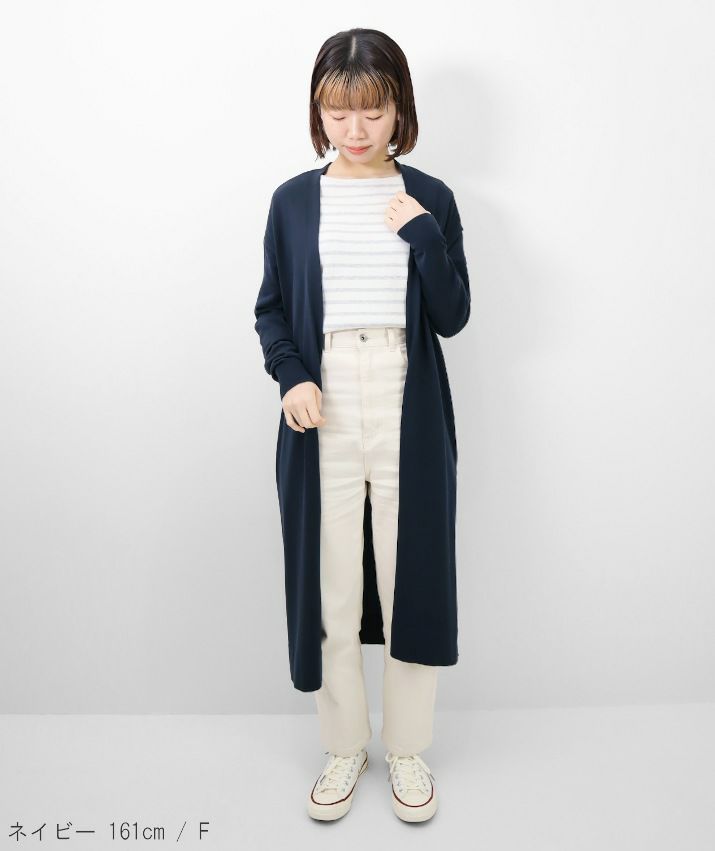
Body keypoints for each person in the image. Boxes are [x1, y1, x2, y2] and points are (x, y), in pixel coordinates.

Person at [254, 28, 471, 823]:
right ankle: (344, 744)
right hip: (326, 402)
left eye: (372, 112)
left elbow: (452, 314)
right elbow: (271, 310)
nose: (355, 129)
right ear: (318, 112)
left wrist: (422, 236)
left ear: (398, 110)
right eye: (338, 112)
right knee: (332, 583)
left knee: (409, 577)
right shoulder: (292, 201)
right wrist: (292, 376)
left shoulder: (430, 197)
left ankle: (406, 748)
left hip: (406, 398)